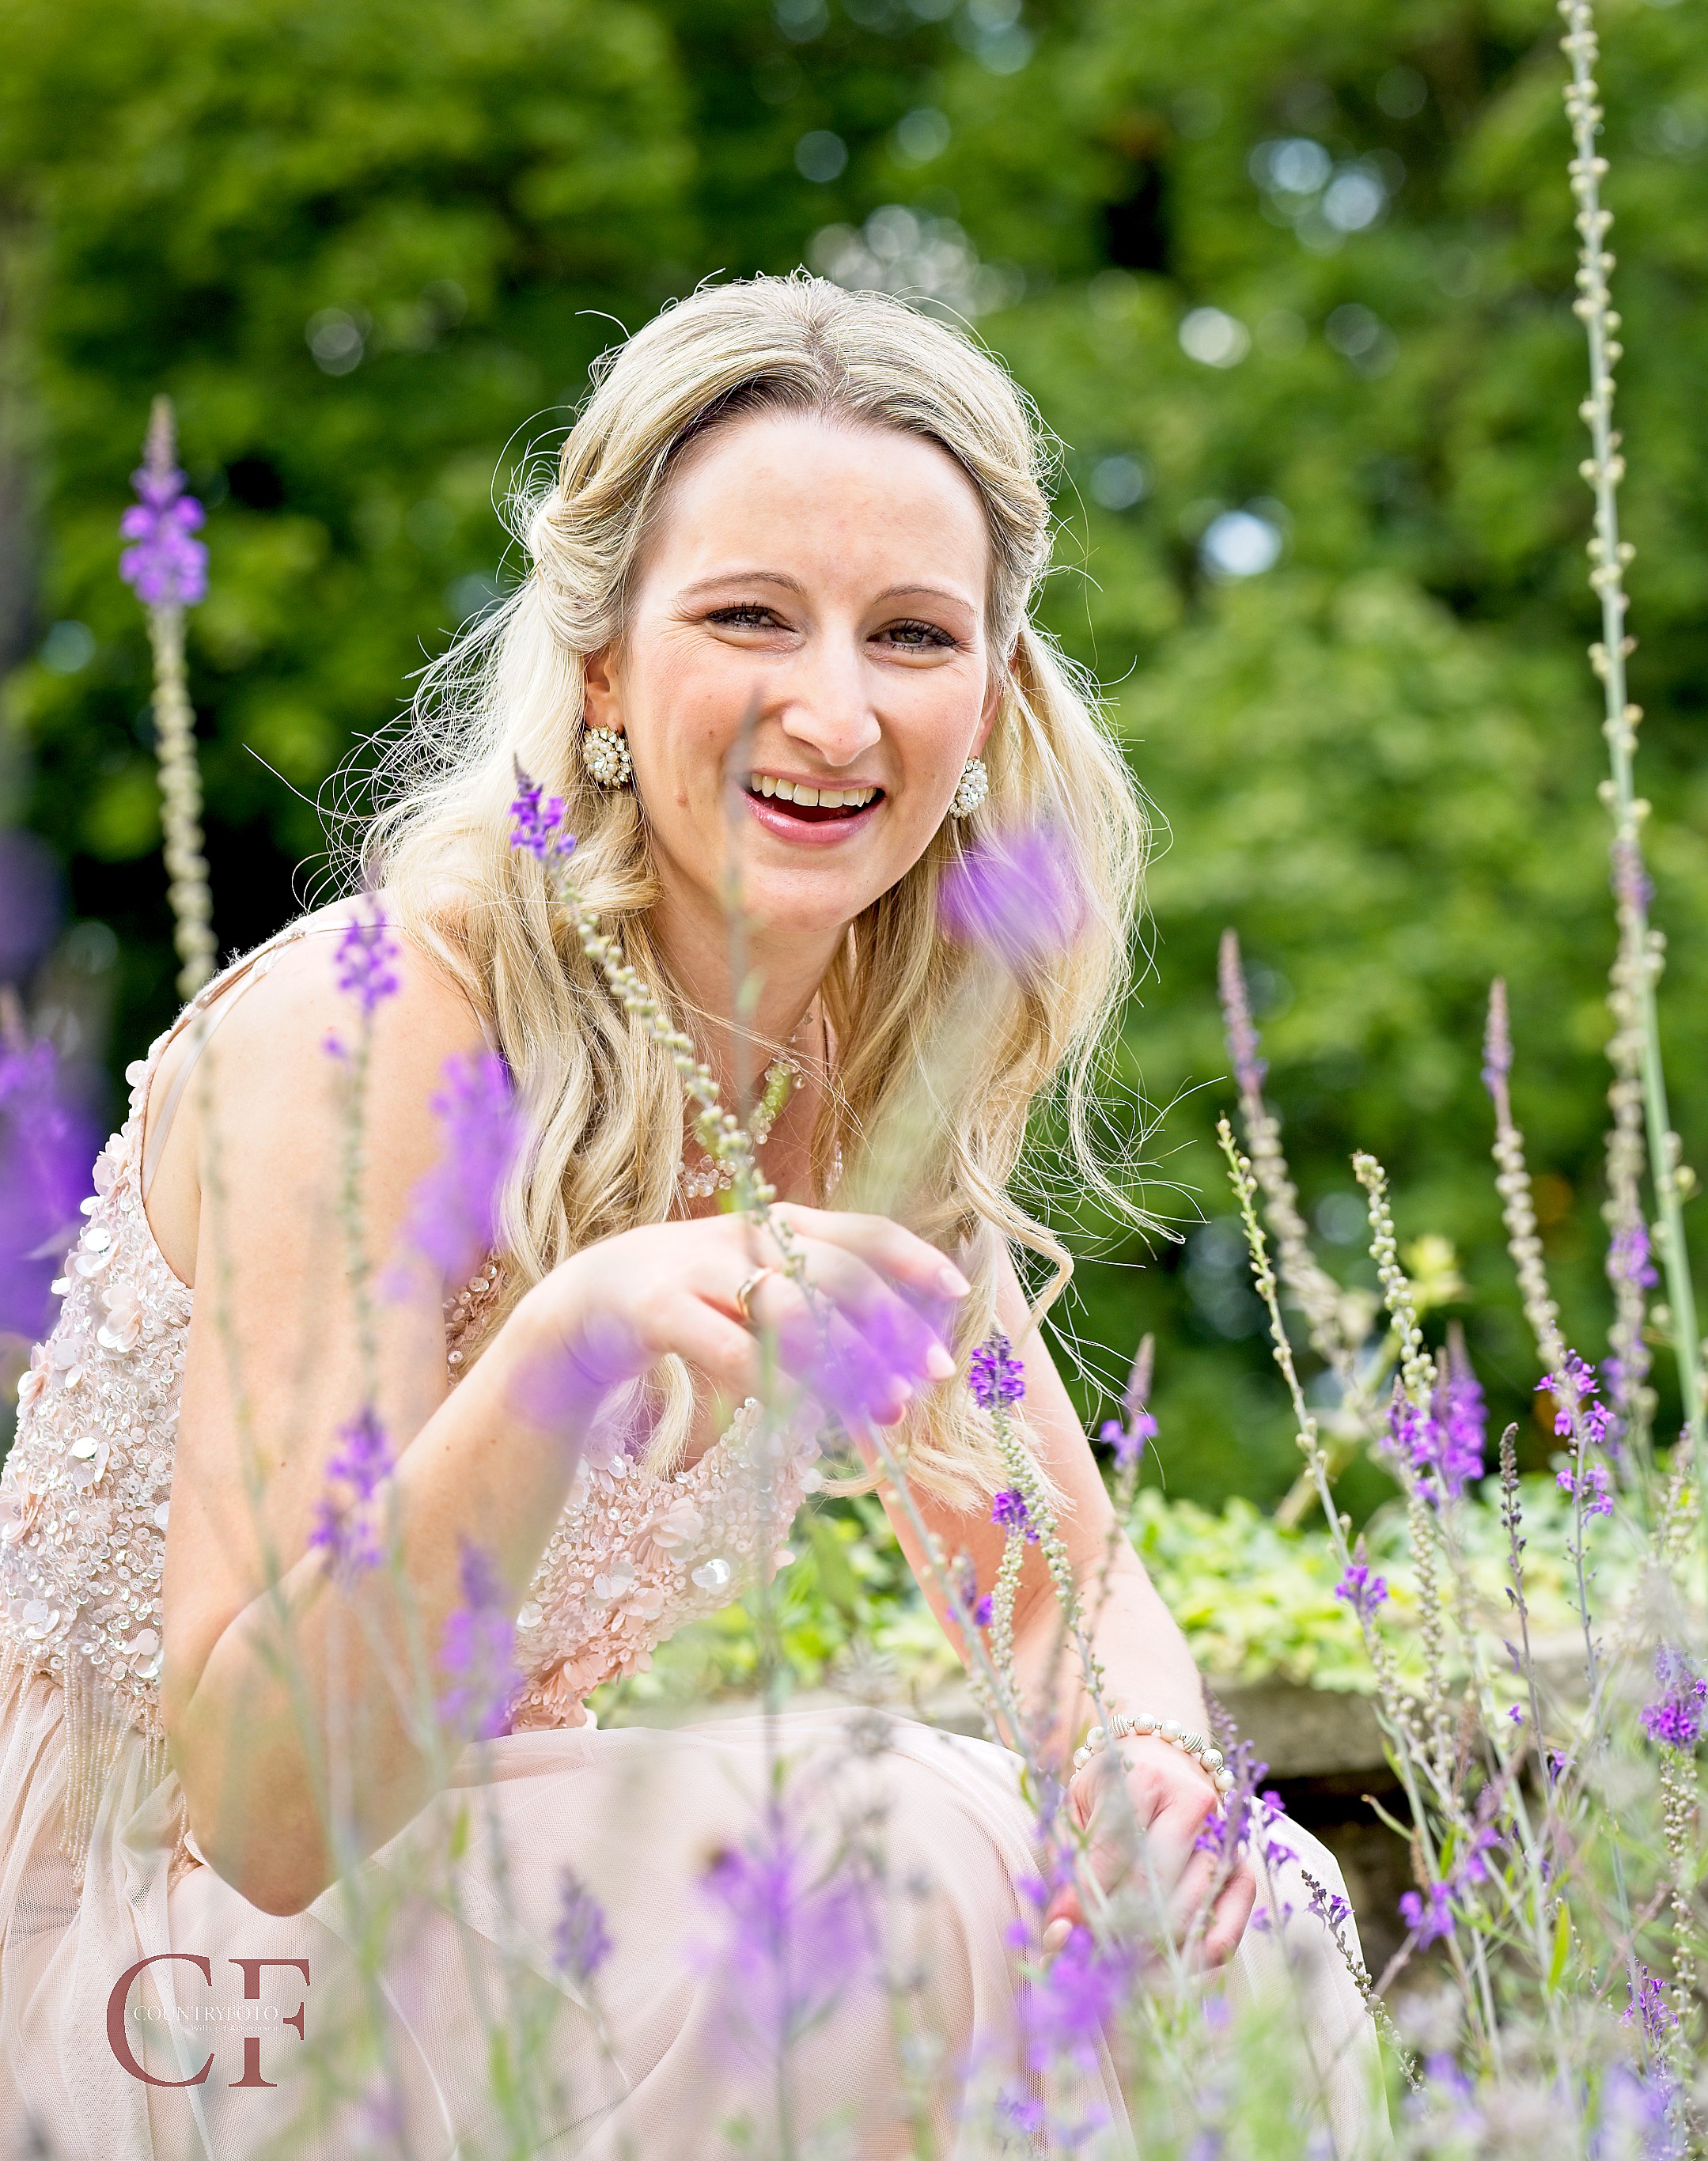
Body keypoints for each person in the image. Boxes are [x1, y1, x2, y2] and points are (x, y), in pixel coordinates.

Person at [0, 277, 1370, 2155]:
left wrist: (1141, 1777)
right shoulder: (385, 1026)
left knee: (1243, 1920)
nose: (835, 707)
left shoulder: (861, 1063)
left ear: (988, 698)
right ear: (600, 671)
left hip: (501, 1868)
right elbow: (262, 1802)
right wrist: (565, 1352)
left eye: (911, 633)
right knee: (878, 1884)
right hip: (171, 1944)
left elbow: (1050, 1573)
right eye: (747, 617)